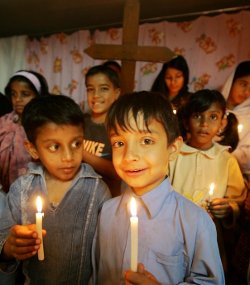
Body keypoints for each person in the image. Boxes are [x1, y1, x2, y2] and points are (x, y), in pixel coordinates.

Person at [92, 91, 225, 284]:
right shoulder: (107, 212)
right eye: (119, 143)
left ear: (173, 149)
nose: (130, 156)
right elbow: (96, 275)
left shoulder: (195, 222)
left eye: (146, 141)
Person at [0, 95, 110, 284]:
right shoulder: (21, 189)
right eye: (54, 147)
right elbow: (6, 240)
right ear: (33, 149)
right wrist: (9, 248)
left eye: (76, 144)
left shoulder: (96, 190)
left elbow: (104, 256)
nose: (68, 156)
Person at [169, 89, 247, 277]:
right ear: (186, 120)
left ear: (222, 123)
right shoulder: (173, 155)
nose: (204, 124)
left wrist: (228, 208)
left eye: (213, 117)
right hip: (174, 232)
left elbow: (238, 200)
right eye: (197, 116)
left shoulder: (226, 160)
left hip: (209, 238)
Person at [0, 70, 49, 193]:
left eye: (25, 94)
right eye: (14, 94)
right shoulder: (3, 122)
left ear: (38, 95)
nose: (18, 99)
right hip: (6, 192)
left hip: (38, 192)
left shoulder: (45, 124)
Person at [83, 64, 122, 197]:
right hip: (79, 195)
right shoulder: (79, 123)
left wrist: (83, 153)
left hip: (107, 199)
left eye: (104, 89)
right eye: (90, 89)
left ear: (116, 93)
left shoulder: (120, 128)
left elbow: (118, 172)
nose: (96, 95)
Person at [221, 60, 250, 182]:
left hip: (232, 176)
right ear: (232, 81)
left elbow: (246, 155)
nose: (247, 92)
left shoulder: (248, 117)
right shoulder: (213, 109)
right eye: (243, 84)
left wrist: (223, 160)